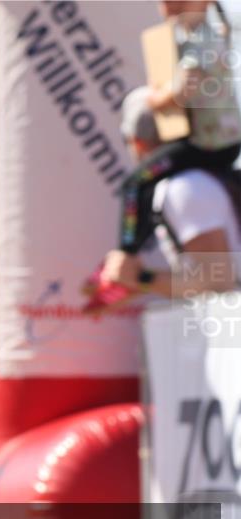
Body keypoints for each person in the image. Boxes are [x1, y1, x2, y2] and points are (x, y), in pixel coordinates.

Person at [119, 0, 240, 254]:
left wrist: (156, 98)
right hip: (217, 142)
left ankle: (127, 255)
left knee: (136, 182)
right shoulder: (198, 35)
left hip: (208, 146)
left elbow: (184, 89)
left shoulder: (202, 40)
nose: (168, 6)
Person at [101, 85, 241, 298]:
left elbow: (217, 282)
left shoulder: (184, 187)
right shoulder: (204, 177)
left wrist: (138, 275)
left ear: (137, 143)